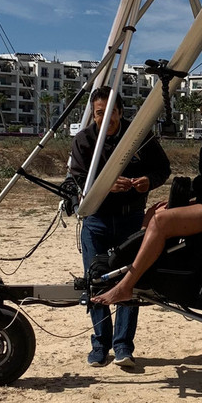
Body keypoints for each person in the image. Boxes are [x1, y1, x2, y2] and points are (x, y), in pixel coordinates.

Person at [92, 88, 202, 307]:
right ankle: (149, 273)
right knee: (155, 212)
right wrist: (182, 198)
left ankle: (125, 286)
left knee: (161, 222)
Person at [70, 86, 170, 368]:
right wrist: (104, 186)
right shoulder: (84, 140)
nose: (107, 119)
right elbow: (77, 179)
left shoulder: (140, 137)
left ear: (120, 112)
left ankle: (123, 346)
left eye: (112, 112)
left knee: (130, 279)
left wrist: (149, 180)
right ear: (94, 114)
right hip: (97, 220)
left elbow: (163, 169)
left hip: (131, 219)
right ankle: (100, 345)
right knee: (96, 279)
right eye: (100, 113)